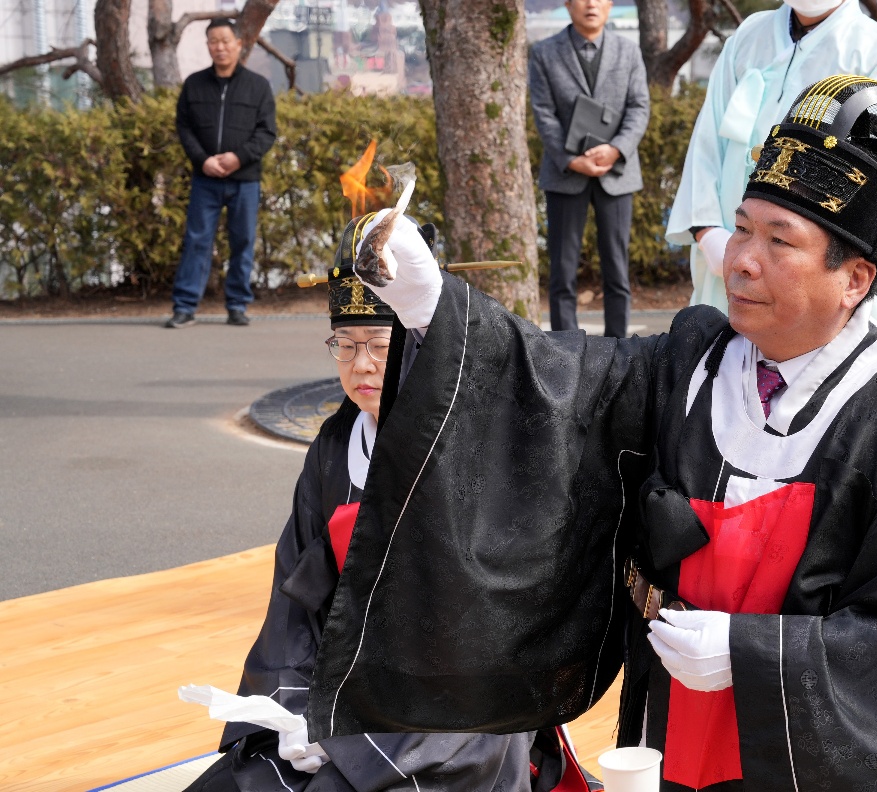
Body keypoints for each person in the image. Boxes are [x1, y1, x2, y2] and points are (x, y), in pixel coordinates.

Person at [306, 78, 877, 792]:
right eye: (743, 227)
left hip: (801, 756)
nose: (741, 258)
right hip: (673, 718)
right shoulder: (691, 358)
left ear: (853, 278)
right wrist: (432, 304)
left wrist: (752, 653)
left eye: (779, 240)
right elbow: (556, 382)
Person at [182, 215, 595, 792]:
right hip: (345, 679)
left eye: (378, 345)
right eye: (344, 346)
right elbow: (297, 599)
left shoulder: (470, 438)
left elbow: (504, 609)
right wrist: (291, 707)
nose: (361, 366)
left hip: (460, 703)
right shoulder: (334, 447)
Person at [664, 0, 877, 329]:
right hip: (729, 240)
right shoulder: (749, 35)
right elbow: (708, 139)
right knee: (719, 359)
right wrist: (706, 229)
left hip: (815, 264)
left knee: (812, 362)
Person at [528, 0, 649, 337]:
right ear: (568, 4)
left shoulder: (628, 51)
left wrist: (616, 149)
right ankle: (564, 352)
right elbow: (544, 113)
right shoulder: (544, 52)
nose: (591, 3)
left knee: (617, 271)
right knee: (562, 273)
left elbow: (639, 107)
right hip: (566, 174)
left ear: (610, 5)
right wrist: (569, 159)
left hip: (617, 173)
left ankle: (620, 352)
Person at [166, 18, 277, 330]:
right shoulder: (194, 84)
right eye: (213, 41)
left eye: (225, 41)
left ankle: (237, 305)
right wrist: (203, 160)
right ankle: (185, 307)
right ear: (208, 46)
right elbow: (184, 127)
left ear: (239, 44)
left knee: (242, 242)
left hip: (245, 180)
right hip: (206, 180)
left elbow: (267, 133)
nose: (220, 47)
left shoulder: (258, 86)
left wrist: (237, 158)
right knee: (196, 241)